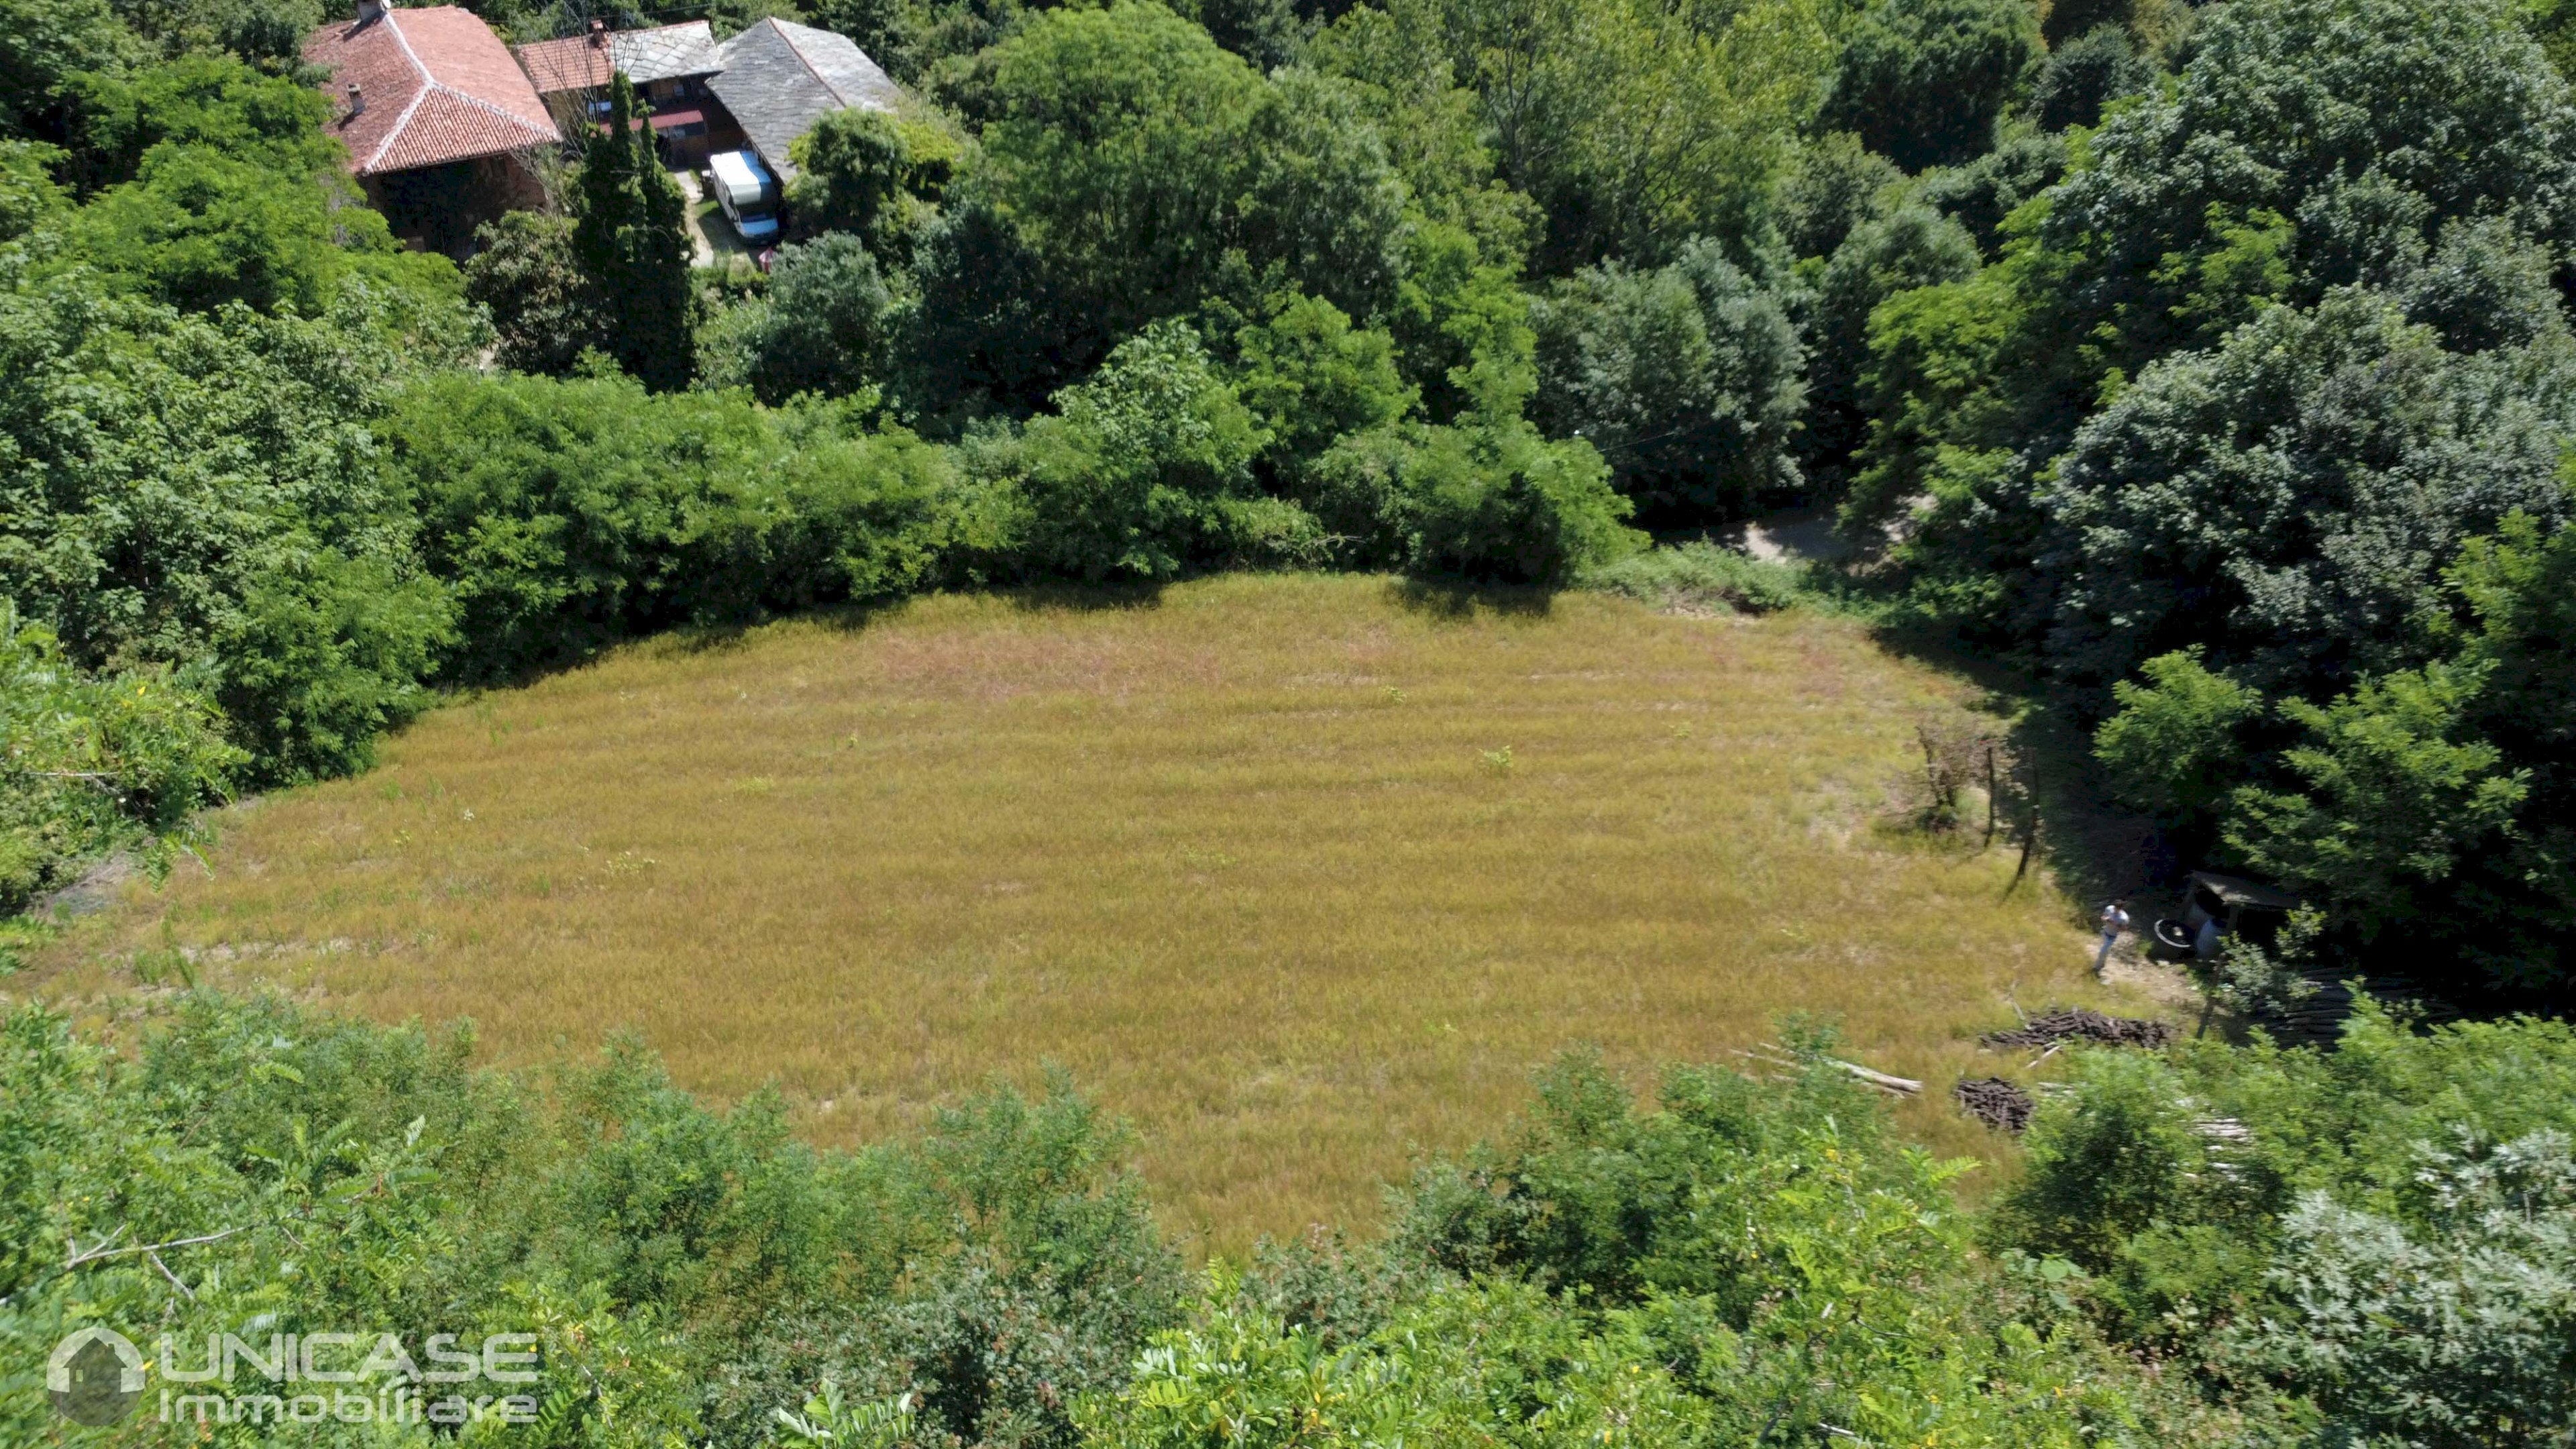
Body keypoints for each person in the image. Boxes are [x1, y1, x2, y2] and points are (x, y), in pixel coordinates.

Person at [2094, 899, 2131, 975]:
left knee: (2102, 951)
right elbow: (2103, 917)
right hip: (2105, 932)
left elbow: (2124, 930)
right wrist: (2105, 919)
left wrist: (2114, 923)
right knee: (2105, 950)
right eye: (2115, 908)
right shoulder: (2109, 908)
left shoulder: (2124, 918)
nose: (2115, 910)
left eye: (2117, 909)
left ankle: (2097, 967)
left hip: (2112, 937)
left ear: (2121, 909)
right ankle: (2103, 962)